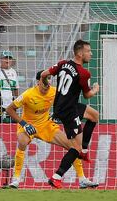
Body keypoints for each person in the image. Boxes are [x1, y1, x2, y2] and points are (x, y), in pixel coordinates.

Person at [5, 70, 98, 189]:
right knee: (22, 142)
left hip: (46, 125)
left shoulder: (54, 92)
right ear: (38, 82)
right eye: (45, 80)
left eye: (50, 79)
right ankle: (16, 179)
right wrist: (24, 124)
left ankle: (82, 179)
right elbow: (9, 109)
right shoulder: (28, 94)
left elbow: (66, 103)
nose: (48, 82)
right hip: (28, 126)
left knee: (73, 146)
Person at [40, 39, 100, 189]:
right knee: (75, 148)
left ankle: (85, 151)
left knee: (94, 115)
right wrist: (95, 89)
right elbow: (87, 95)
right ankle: (56, 176)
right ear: (80, 53)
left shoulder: (62, 64)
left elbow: (44, 74)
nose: (91, 54)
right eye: (88, 51)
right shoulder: (83, 73)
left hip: (66, 105)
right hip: (68, 111)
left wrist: (46, 84)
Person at [0, 50, 19, 117]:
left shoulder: (13, 72)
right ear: (0, 59)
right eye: (5, 58)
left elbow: (16, 88)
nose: (7, 60)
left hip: (10, 104)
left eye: (9, 58)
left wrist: (16, 102)